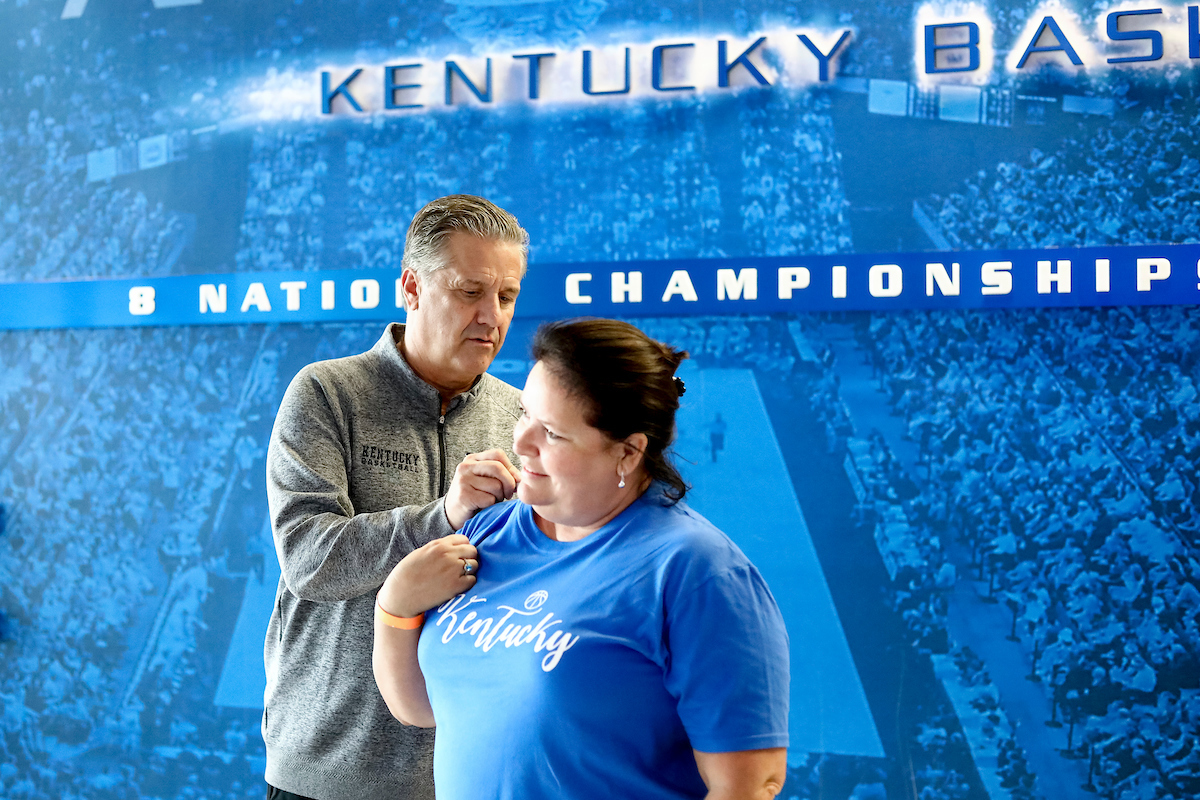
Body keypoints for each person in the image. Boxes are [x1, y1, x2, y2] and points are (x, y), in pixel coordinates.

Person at [373, 318, 790, 800]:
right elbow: (428, 707)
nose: (521, 441)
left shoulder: (696, 573)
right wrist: (395, 607)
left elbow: (750, 785)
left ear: (629, 452)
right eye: (525, 413)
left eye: (551, 432)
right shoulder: (489, 529)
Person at [263, 195, 531, 800]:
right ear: (411, 286)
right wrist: (445, 516)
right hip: (332, 772)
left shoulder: (522, 415)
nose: (492, 316)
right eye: (470, 291)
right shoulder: (327, 394)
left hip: (476, 771)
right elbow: (310, 560)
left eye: (507, 296)